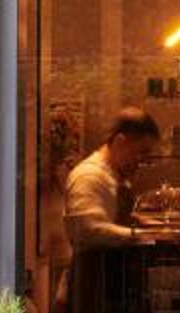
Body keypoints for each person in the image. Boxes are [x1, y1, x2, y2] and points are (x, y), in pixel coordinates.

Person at [63, 106, 160, 256]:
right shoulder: (88, 176)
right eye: (142, 152)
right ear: (120, 141)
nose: (142, 161)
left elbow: (116, 220)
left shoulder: (116, 176)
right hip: (95, 270)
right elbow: (87, 229)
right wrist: (142, 235)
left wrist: (153, 226)